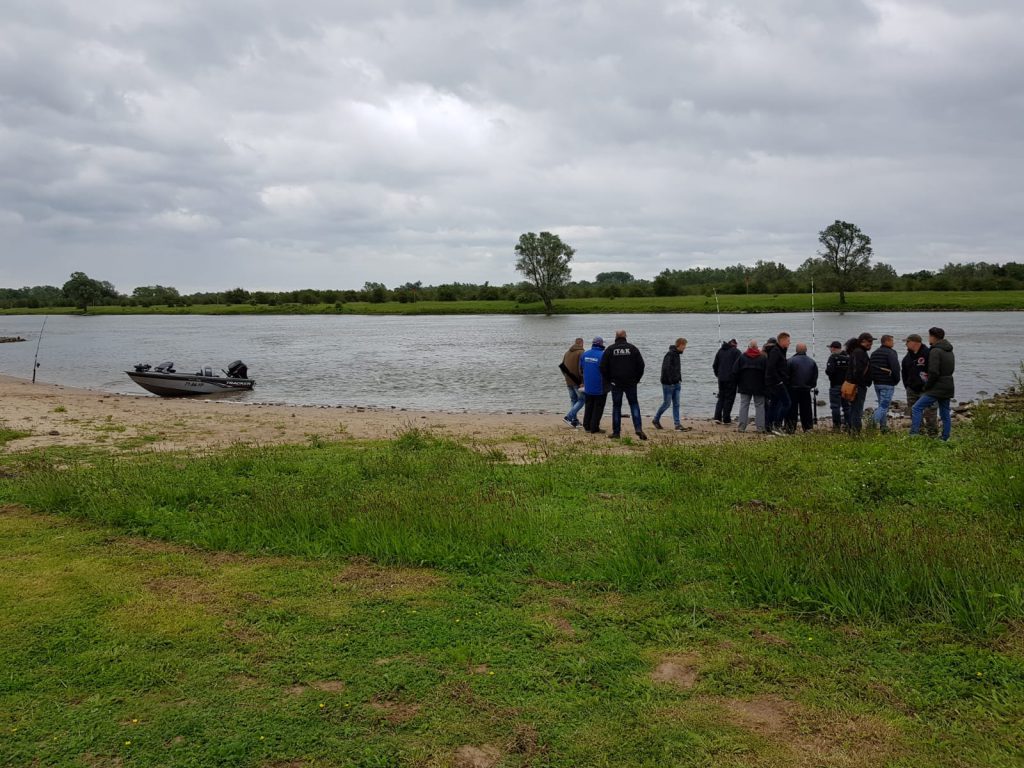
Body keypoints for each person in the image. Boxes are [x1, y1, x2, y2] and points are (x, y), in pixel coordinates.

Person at [599, 330, 647, 440]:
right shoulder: (632, 348)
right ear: (626, 336)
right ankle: (638, 428)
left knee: (616, 407)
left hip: (616, 383)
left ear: (615, 337)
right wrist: (636, 379)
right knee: (634, 404)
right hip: (631, 382)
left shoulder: (610, 349)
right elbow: (641, 365)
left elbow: (603, 367)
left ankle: (616, 432)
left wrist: (609, 380)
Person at [911, 327, 955, 441]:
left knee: (916, 407)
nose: (928, 339)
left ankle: (914, 434)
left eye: (929, 336)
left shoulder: (935, 351)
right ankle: (945, 438)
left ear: (933, 337)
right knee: (945, 413)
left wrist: (927, 386)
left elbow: (934, 372)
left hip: (937, 387)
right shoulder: (949, 350)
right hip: (948, 385)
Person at [902, 333, 937, 436]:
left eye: (907, 342)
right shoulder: (907, 357)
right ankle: (919, 433)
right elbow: (904, 373)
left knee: (929, 412)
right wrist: (907, 385)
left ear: (915, 342)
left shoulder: (928, 353)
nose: (906, 344)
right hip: (912, 389)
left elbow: (933, 371)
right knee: (914, 412)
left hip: (926, 389)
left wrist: (929, 386)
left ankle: (933, 434)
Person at [653, 338, 688, 431]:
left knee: (676, 404)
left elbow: (676, 369)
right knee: (667, 404)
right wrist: (670, 381)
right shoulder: (670, 354)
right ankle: (656, 419)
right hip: (668, 384)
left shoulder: (677, 354)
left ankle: (677, 424)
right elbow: (665, 369)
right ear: (680, 345)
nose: (685, 348)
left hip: (677, 383)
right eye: (684, 346)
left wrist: (679, 379)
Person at [733, 339, 767, 433]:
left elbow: (735, 371)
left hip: (744, 385)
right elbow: (767, 372)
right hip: (759, 386)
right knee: (760, 406)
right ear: (757, 348)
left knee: (744, 405)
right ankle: (760, 428)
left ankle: (741, 427)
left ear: (749, 347)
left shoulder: (742, 357)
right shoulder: (763, 358)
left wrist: (738, 382)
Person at [868, 334, 901, 432]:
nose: (893, 343)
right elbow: (895, 368)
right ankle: (872, 424)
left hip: (877, 383)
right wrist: (896, 380)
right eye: (892, 341)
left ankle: (883, 427)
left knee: (881, 405)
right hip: (887, 383)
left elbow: (871, 368)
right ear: (886, 342)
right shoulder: (891, 353)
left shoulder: (874, 353)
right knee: (884, 406)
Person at [844, 333, 874, 434]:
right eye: (869, 341)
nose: (871, 344)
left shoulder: (856, 352)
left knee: (853, 409)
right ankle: (856, 433)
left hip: (855, 385)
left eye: (872, 341)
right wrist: (862, 383)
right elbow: (857, 371)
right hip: (857, 386)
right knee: (857, 410)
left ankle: (852, 430)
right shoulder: (859, 352)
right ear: (862, 341)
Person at [786, 342, 818, 433]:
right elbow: (814, 376)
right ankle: (807, 427)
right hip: (806, 389)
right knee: (806, 409)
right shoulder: (812, 361)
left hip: (792, 389)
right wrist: (811, 386)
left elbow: (787, 375)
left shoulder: (790, 361)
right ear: (806, 350)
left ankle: (790, 428)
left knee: (792, 410)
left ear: (796, 350)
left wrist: (788, 385)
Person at [764, 332, 791, 436]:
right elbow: (771, 367)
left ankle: (769, 426)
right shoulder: (776, 351)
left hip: (776, 382)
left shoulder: (781, 350)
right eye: (788, 341)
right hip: (776, 383)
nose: (789, 343)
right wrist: (779, 380)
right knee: (787, 403)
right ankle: (777, 424)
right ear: (782, 340)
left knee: (774, 404)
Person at [581, 337, 608, 433]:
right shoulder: (603, 355)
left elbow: (581, 368)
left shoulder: (585, 354)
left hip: (588, 386)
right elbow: (607, 371)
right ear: (601, 344)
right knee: (598, 407)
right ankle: (594, 427)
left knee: (589, 406)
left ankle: (586, 425)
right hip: (599, 387)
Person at [712, 339, 741, 424]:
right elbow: (739, 366)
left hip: (721, 378)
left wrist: (718, 374)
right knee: (729, 399)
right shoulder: (736, 352)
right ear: (735, 344)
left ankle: (717, 417)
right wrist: (738, 378)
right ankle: (726, 419)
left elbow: (714, 365)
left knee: (721, 397)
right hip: (731, 379)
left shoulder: (720, 351)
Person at [824, 341, 851, 432]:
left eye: (831, 348)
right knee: (846, 406)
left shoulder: (833, 358)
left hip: (835, 385)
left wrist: (831, 375)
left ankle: (836, 427)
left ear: (833, 348)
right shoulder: (848, 357)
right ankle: (848, 425)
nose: (830, 350)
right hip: (847, 385)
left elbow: (829, 371)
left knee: (835, 407)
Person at [560, 337, 586, 428]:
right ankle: (569, 417)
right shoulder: (581, 352)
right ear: (582, 343)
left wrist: (566, 377)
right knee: (582, 399)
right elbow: (582, 369)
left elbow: (562, 367)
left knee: (573, 400)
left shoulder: (567, 353)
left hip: (569, 381)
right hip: (578, 381)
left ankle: (574, 421)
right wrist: (583, 381)